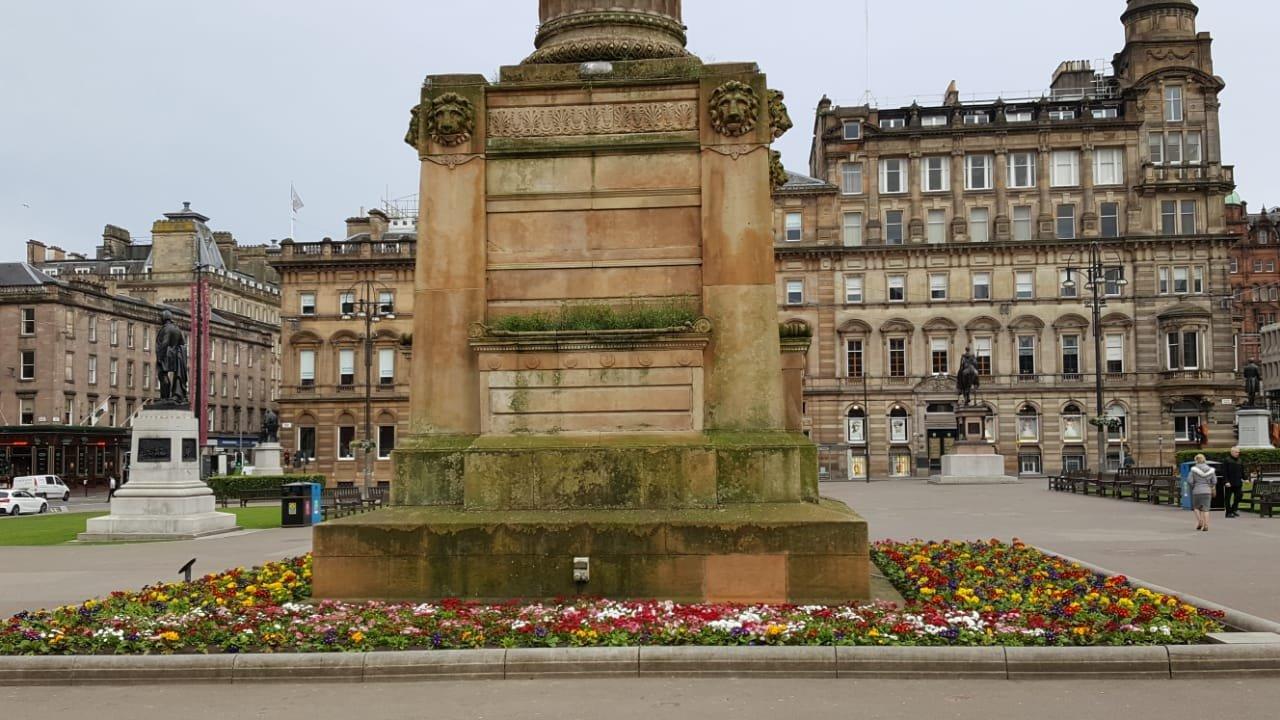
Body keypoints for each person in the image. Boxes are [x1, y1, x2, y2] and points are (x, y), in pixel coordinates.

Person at [1188, 454, 1217, 532]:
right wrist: (1210, 486)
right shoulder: (1211, 470)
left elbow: (1189, 481)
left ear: (1196, 460)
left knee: (1196, 507)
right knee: (1206, 509)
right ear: (1204, 460)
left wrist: (1194, 485)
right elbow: (1214, 481)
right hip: (1207, 491)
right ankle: (1206, 525)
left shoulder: (1193, 470)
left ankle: (1200, 521)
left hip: (1196, 491)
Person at [1222, 447, 1245, 518]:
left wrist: (1245, 478)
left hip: (1238, 482)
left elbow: (1242, 471)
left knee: (1239, 496)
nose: (1238, 453)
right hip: (1229, 483)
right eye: (1236, 452)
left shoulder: (1240, 460)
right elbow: (1224, 472)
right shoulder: (1227, 460)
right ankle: (1228, 513)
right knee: (1228, 498)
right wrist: (1226, 481)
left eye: (1238, 452)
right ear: (1232, 452)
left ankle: (1233, 509)